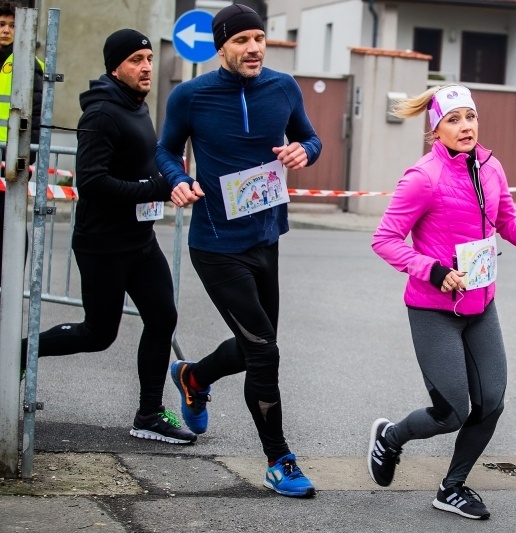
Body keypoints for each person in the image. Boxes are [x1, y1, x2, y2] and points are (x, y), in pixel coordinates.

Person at [155, 4, 321, 498]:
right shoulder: (191, 95)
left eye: (259, 38)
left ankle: (193, 376)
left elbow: (310, 138)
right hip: (216, 243)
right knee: (265, 352)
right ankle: (278, 460)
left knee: (257, 347)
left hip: (266, 237)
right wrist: (178, 179)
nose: (253, 48)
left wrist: (302, 152)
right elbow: (164, 149)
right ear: (221, 46)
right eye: (242, 40)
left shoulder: (284, 87)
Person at [367, 85, 516, 520]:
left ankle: (452, 488)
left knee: (491, 402)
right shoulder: (422, 178)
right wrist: (431, 269)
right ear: (436, 131)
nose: (465, 126)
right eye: (454, 119)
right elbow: (384, 240)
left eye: (470, 116)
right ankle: (390, 437)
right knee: (451, 412)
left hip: (481, 304)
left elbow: (505, 217)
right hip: (434, 309)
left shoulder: (490, 166)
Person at [19, 29, 196, 445]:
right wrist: (155, 188)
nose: (147, 66)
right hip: (103, 243)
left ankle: (149, 414)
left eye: (149, 58)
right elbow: (93, 183)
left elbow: (143, 165)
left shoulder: (135, 105)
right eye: (136, 60)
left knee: (162, 317)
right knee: (99, 334)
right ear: (115, 66)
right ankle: (19, 352)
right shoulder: (101, 113)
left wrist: (166, 179)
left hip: (139, 239)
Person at [0, 0, 43, 284]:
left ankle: (10, 283)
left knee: (10, 223)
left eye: (13, 26)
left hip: (9, 157)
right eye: (2, 25)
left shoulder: (28, 64)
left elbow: (36, 116)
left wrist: (26, 156)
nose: (6, 30)